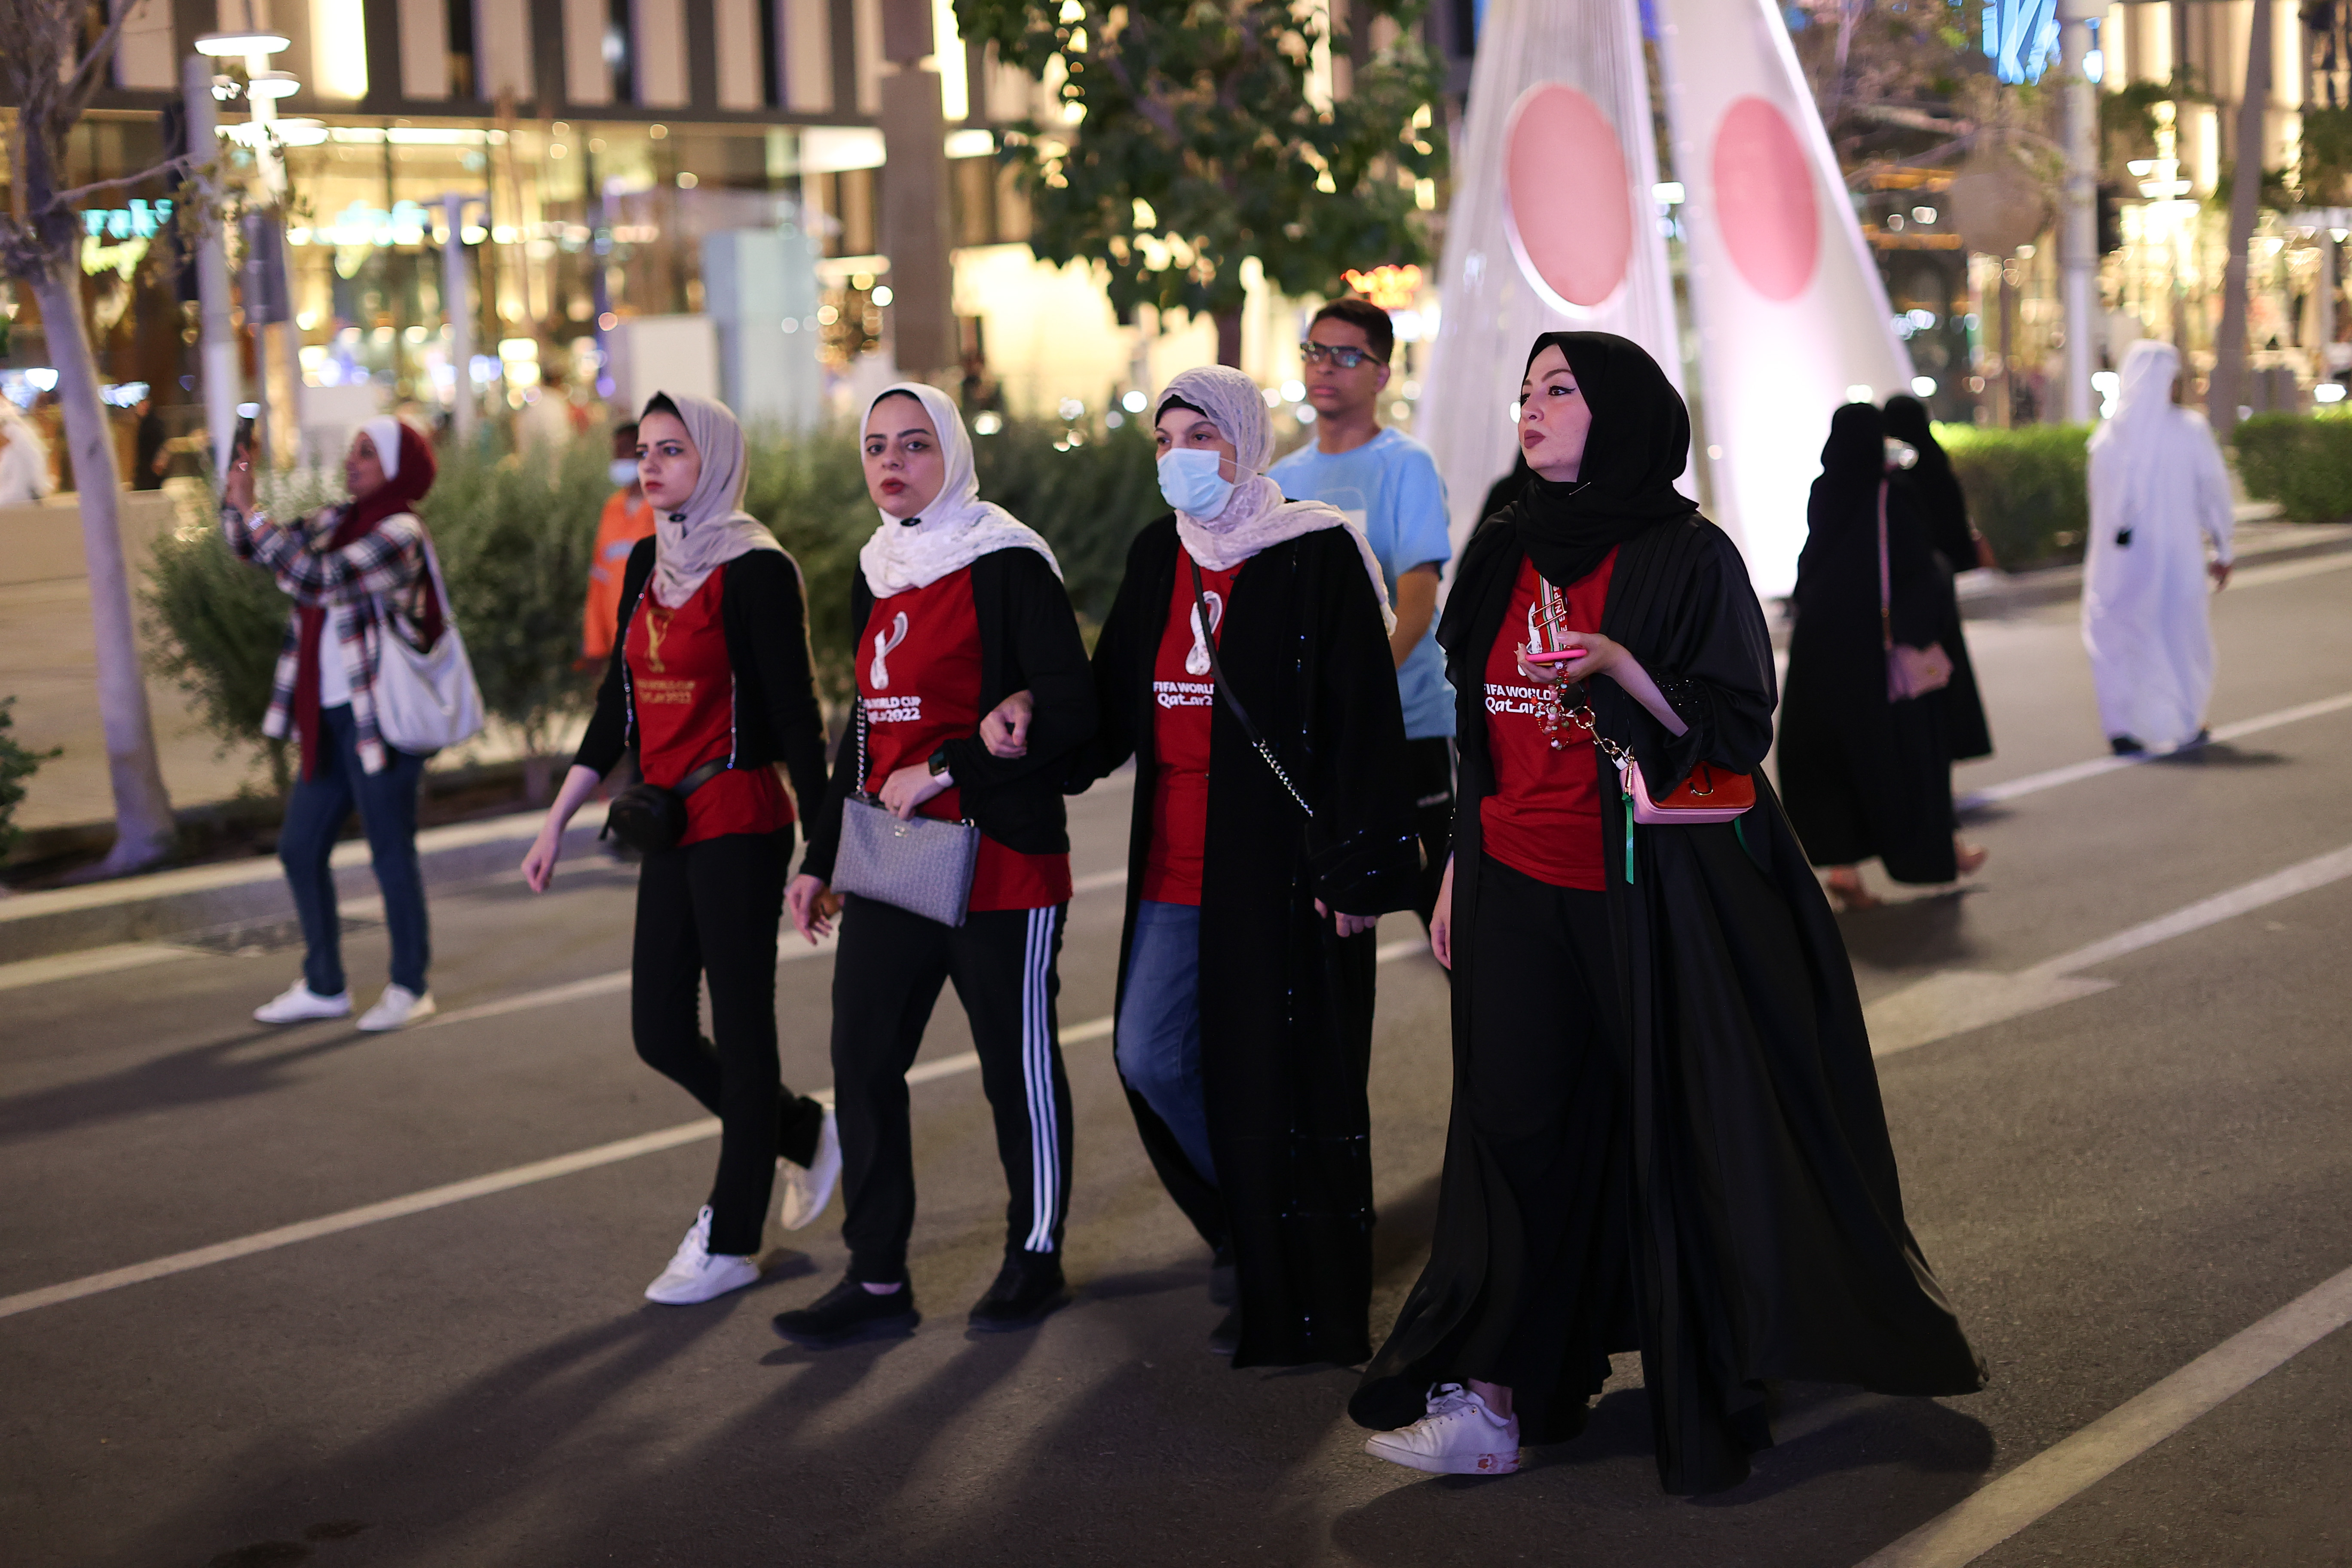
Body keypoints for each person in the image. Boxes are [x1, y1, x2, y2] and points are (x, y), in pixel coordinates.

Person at [1351, 333, 1985, 1493]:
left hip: (1649, 895)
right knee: (1508, 1136)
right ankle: (1490, 1400)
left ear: (1625, 415)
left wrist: (1623, 668)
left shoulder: (1687, 554)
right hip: (1514, 887)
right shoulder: (1500, 551)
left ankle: (1720, 1375)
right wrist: (1455, 872)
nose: (1530, 408)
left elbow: (1740, 721)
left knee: (1676, 1136)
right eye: (1528, 390)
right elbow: (1475, 741)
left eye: (1559, 390)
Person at [1071, 364, 1420, 1367]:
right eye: (1164, 439)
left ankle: (1292, 1280)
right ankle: (1247, 1222)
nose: (1179, 457)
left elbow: (1362, 718)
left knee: (1276, 1080)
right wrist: (1014, 731)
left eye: (1201, 436)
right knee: (1148, 1055)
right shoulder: (1156, 558)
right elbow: (1105, 711)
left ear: (1246, 442)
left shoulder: (1310, 551)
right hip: (1172, 869)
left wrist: (1356, 869)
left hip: (1279, 875)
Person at [771, 383, 1096, 1346]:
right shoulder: (883, 568)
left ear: (950, 452)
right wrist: (818, 854)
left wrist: (950, 764)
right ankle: (875, 1280)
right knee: (863, 1063)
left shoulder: (1006, 563)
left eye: (914, 444)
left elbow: (1071, 714)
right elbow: (867, 729)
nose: (893, 462)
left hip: (1002, 863)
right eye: (877, 446)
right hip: (895, 864)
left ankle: (1035, 1254)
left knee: (1017, 1069)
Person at [520, 391, 840, 1306]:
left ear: (717, 461)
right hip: (666, 824)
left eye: (674, 452)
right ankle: (802, 1132)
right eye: (646, 452)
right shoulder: (649, 564)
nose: (651, 467)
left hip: (740, 822)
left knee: (743, 1037)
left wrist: (823, 853)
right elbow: (615, 708)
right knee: (658, 1030)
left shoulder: (756, 571)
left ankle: (733, 1239)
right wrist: (559, 818)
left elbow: (795, 720)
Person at [222, 418, 444, 1032]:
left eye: (367, 455)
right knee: (299, 848)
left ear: (399, 467)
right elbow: (251, 549)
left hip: (382, 722)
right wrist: (237, 492)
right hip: (326, 717)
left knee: (389, 852)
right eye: (351, 453)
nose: (352, 464)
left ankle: (410, 986)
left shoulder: (400, 534)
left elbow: (317, 579)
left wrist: (256, 517)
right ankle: (325, 985)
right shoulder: (335, 522)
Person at [1269, 297, 1457, 930]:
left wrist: (1360, 696)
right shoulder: (1281, 478)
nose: (1326, 367)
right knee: (1333, 920)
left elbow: (1418, 595)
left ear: (1381, 374)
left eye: (1348, 356)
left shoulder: (1406, 465)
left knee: (1447, 917)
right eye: (1316, 352)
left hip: (1406, 727)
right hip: (1316, 736)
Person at [1778, 404, 1984, 909]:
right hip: (1878, 649)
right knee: (1906, 757)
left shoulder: (1825, 489)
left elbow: (1812, 560)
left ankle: (1845, 869)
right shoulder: (1893, 493)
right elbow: (1916, 570)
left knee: (1830, 760)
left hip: (1820, 648)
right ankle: (1940, 850)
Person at [2083, 338, 2234, 754]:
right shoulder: (2189, 430)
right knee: (2178, 637)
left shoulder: (2107, 438)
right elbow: (2213, 492)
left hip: (2117, 565)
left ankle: (2123, 725)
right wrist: (2224, 549)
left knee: (2119, 638)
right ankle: (2184, 721)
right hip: (2175, 560)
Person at [1881, 394, 1993, 763]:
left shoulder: (1894, 479)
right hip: (1938, 587)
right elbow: (1954, 526)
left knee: (1915, 682)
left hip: (1908, 592)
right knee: (1940, 673)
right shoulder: (1935, 462)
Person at [582, 420, 659, 665]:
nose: (619, 459)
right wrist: (594, 646)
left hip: (656, 643)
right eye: (617, 452)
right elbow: (599, 580)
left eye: (626, 450)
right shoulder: (612, 509)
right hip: (619, 644)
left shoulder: (662, 509)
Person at [0, 399, 53, 505]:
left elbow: (35, 460)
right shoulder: (9, 453)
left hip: (21, 503)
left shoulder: (16, 433)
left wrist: (40, 487)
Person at [132, 395, 168, 491]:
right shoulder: (145, 423)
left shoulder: (154, 424)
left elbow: (162, 443)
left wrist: (160, 460)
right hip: (146, 465)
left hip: (153, 464)